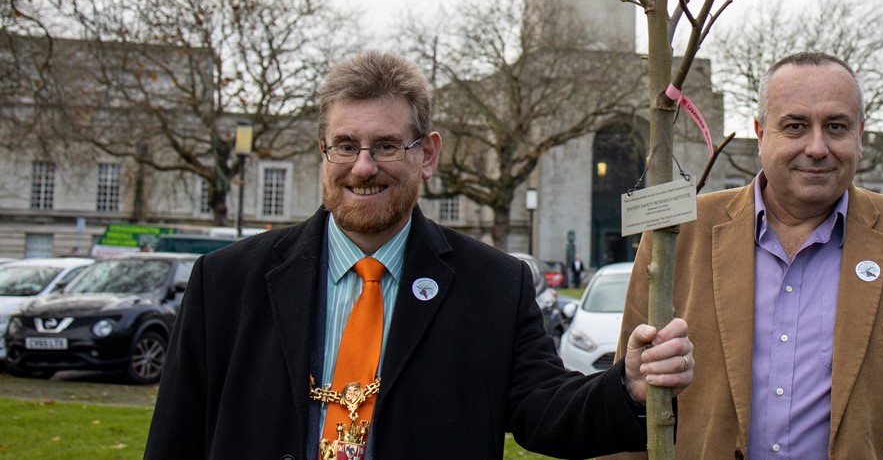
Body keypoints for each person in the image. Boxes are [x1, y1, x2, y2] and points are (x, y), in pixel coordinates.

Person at [145, 51, 695, 459]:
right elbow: (176, 437)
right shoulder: (225, 282)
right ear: (323, 152)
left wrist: (626, 386)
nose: (362, 167)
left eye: (386, 146)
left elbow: (545, 411)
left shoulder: (494, 286)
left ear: (427, 154)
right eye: (345, 146)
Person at [610, 51, 883, 458]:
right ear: (761, 133)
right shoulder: (677, 236)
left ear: (860, 135)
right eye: (795, 126)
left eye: (836, 127)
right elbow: (627, 402)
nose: (817, 147)